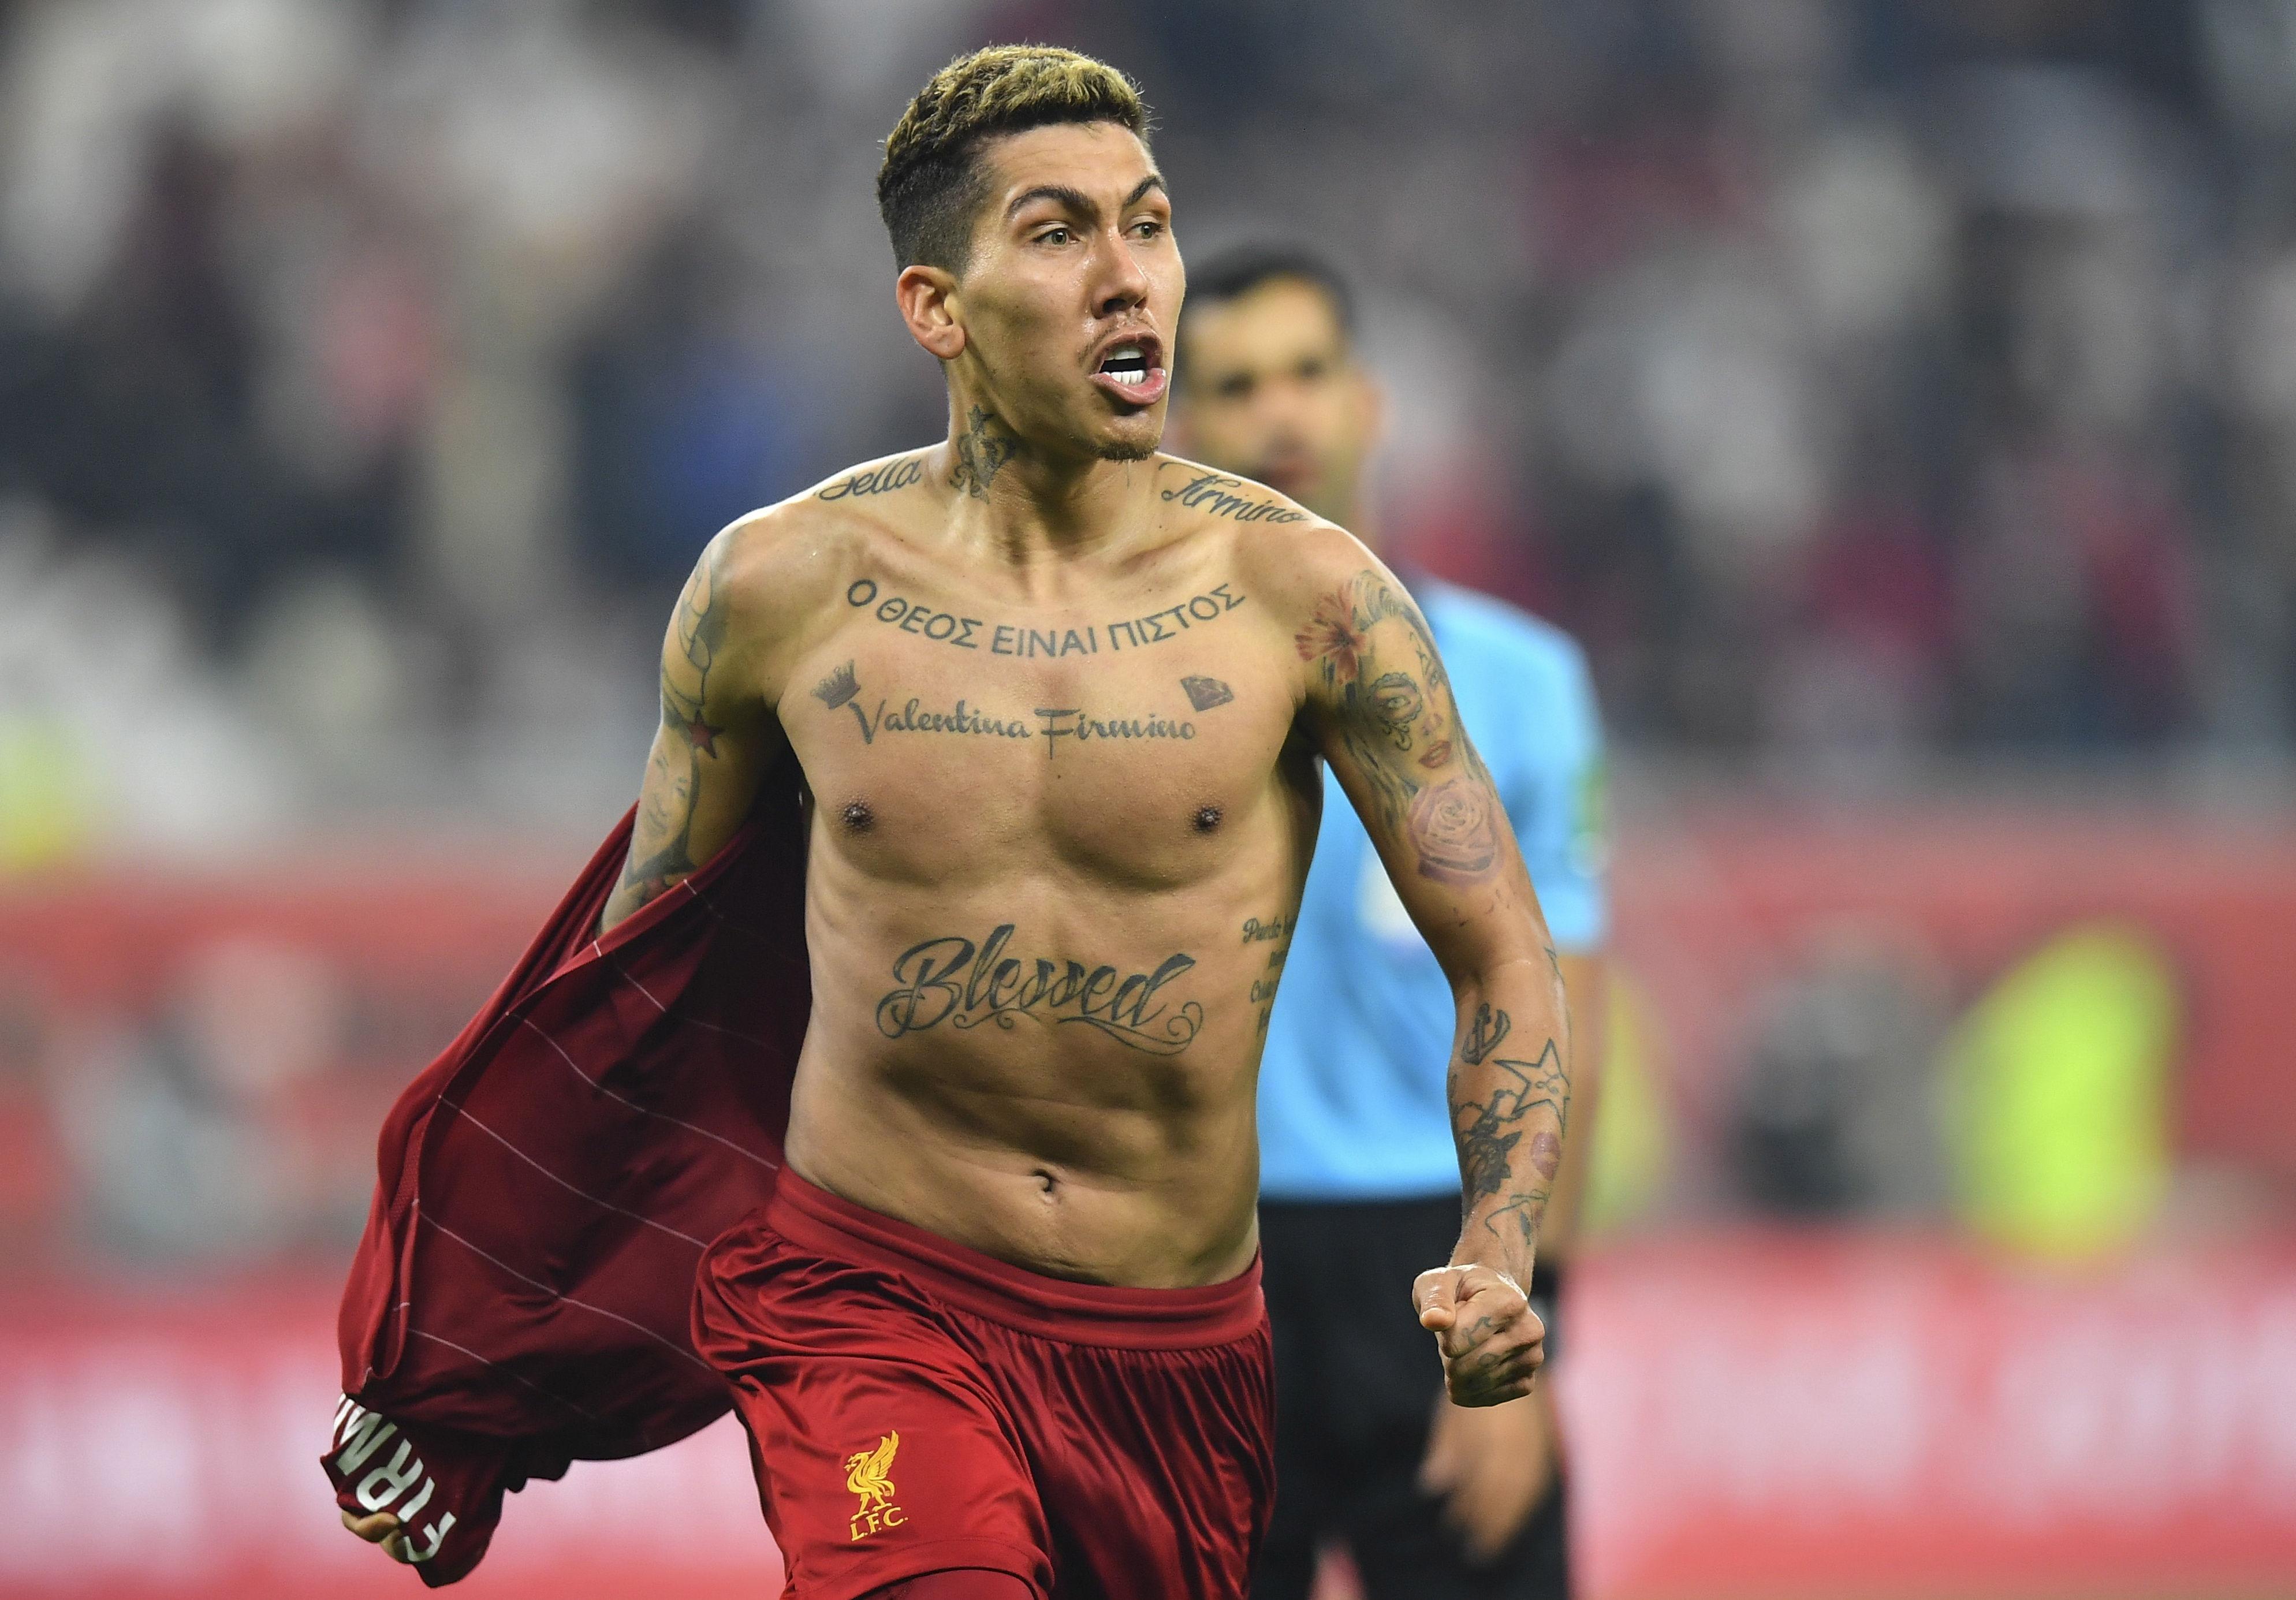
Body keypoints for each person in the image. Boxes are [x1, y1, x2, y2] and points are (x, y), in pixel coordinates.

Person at [338, 46, 1571, 1600]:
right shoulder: (773, 593)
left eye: (1151, 222)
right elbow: (626, 999)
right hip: (873, 1302)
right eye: (1061, 233)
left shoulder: (1314, 601)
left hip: (1174, 1353)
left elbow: (1504, 954)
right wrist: (460, 1364)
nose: (1130, 279)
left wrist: (1502, 1245)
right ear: (936, 304)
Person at [1172, 247, 1606, 1599]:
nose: (1280, 415)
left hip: (1435, 1249)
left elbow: (1564, 1017)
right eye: (1238, 385)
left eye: (1307, 372)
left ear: (1369, 399)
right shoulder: (1128, 698)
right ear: (1180, 429)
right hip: (1195, 1265)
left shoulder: (1524, 684)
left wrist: (1535, 1341)